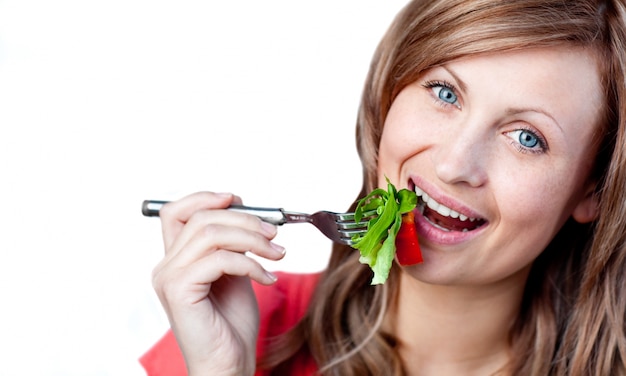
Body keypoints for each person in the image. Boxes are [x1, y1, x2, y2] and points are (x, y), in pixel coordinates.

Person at [140, 0, 626, 374]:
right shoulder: (245, 321)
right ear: (388, 95)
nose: (455, 163)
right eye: (445, 93)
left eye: (527, 138)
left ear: (593, 189)